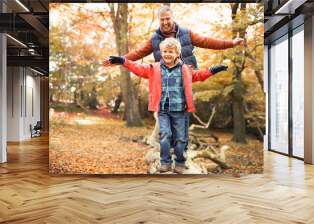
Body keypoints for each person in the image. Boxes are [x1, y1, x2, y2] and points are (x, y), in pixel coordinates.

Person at [107, 38, 227, 174]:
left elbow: (199, 75)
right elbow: (138, 68)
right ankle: (165, 162)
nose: (167, 54)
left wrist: (213, 70)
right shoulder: (154, 68)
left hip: (180, 110)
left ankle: (180, 162)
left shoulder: (185, 69)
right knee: (165, 135)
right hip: (163, 110)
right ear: (161, 52)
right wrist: (123, 61)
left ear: (177, 54)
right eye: (165, 51)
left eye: (171, 51)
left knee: (181, 138)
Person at [103, 5, 244, 68]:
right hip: (166, 79)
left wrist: (231, 43)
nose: (165, 22)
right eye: (162, 19)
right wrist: (118, 60)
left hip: (186, 76)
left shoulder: (186, 33)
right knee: (166, 115)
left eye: (167, 19)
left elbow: (207, 42)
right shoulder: (155, 39)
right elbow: (138, 53)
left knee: (181, 115)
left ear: (172, 18)